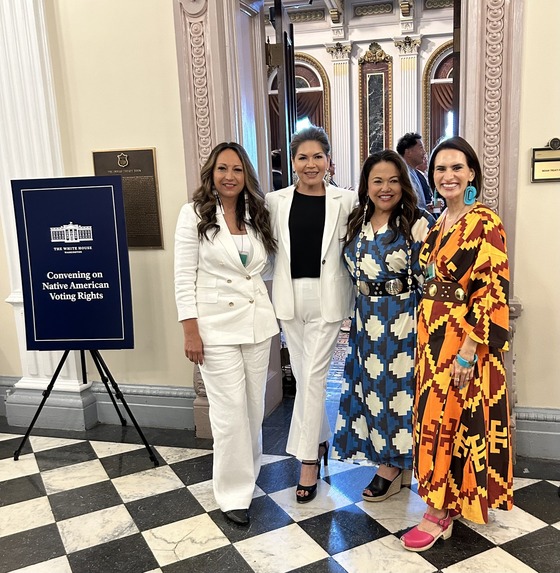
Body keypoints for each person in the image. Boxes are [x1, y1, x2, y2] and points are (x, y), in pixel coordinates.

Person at [401, 136, 512, 552]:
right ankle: (443, 500)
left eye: (456, 168)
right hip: (430, 340)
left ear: (471, 174)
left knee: (451, 423)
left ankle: (439, 512)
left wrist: (469, 349)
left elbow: (492, 292)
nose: (448, 175)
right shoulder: (436, 221)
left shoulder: (485, 222)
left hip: (464, 343)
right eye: (440, 169)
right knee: (434, 422)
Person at [174, 142, 279, 526]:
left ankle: (247, 479)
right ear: (211, 173)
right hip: (213, 329)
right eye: (222, 169)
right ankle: (232, 494)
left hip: (256, 325)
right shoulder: (194, 215)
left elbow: (262, 270)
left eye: (236, 169)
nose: (230, 176)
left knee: (252, 407)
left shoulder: (257, 214)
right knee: (229, 412)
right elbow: (184, 276)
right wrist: (190, 331)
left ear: (245, 174)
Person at [331, 150, 434, 502]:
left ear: (403, 184)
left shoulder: (417, 222)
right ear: (366, 185)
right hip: (365, 322)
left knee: (398, 395)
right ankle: (391, 459)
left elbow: (430, 278)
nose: (385, 188)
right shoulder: (356, 220)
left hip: (403, 319)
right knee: (371, 394)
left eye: (393, 180)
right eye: (377, 181)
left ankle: (391, 465)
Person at [266, 125, 357, 503]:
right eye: (302, 157)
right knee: (306, 380)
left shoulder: (347, 200)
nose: (310, 164)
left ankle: (306, 463)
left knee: (315, 378)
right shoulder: (274, 201)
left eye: (317, 156)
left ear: (329, 160)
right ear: (292, 162)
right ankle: (319, 442)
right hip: (289, 298)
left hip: (328, 297)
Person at [396, 132, 432, 209]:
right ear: (408, 152)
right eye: (421, 148)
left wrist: (426, 208)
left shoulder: (413, 171)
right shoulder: (402, 173)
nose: (424, 152)